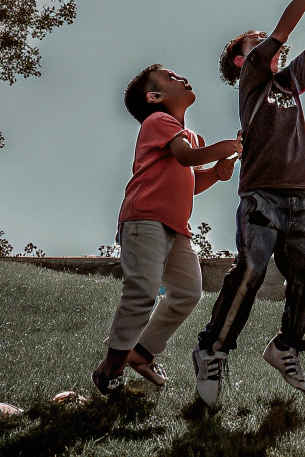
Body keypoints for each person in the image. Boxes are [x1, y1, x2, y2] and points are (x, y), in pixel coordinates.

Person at [191, 0, 305, 406]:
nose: (266, 41)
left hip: (298, 197)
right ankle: (212, 349)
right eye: (256, 40)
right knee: (253, 269)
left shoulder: (288, 81)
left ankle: (285, 347)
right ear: (245, 59)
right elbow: (285, 27)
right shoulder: (253, 79)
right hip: (261, 195)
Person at [92, 64, 242, 398]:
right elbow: (187, 158)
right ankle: (109, 370)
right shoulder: (158, 122)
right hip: (143, 220)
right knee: (142, 292)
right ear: (155, 96)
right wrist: (227, 147)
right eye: (172, 78)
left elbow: (189, 181)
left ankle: (141, 353)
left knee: (188, 292)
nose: (183, 77)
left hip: (176, 229)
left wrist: (216, 173)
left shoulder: (188, 135)